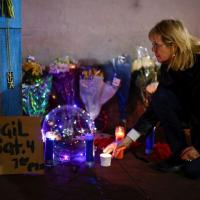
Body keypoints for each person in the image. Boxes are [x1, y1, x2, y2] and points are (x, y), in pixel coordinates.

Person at [104, 19, 200, 179]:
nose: (152, 49)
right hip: (190, 116)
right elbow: (155, 109)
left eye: (157, 45)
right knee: (161, 97)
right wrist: (127, 140)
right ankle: (179, 154)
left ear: (173, 45)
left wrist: (199, 148)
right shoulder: (168, 67)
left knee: (193, 171)